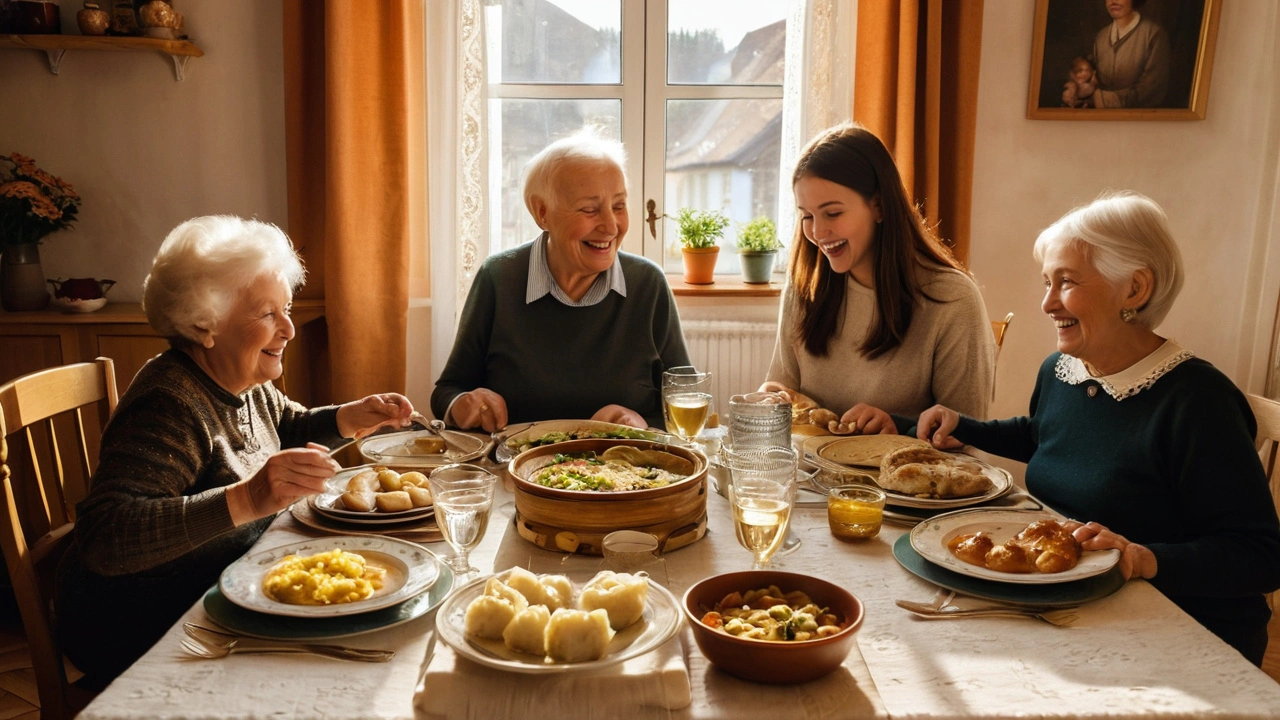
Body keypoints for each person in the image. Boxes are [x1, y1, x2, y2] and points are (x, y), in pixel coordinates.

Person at [917, 191, 1280, 665]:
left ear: (1134, 290)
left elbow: (1260, 554)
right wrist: (959, 426)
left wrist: (1142, 557)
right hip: (1070, 601)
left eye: (1065, 282)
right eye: (1046, 282)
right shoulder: (1064, 371)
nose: (1047, 303)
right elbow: (1043, 437)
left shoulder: (1198, 401)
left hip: (1178, 631)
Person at [54, 216, 416, 686]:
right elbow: (106, 537)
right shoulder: (168, 403)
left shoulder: (240, 379)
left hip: (217, 590)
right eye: (268, 314)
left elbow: (287, 427)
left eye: (286, 309)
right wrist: (247, 499)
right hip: (143, 621)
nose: (289, 328)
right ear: (206, 324)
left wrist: (349, 417)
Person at [430, 129, 690, 431]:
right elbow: (448, 390)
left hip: (624, 471)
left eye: (619, 206)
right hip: (513, 472)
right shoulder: (498, 278)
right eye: (590, 209)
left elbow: (687, 398)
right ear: (542, 212)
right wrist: (464, 403)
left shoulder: (648, 284)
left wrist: (640, 422)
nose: (610, 225)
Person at [762, 123, 996, 435]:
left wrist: (897, 429)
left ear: (879, 205)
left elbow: (967, 438)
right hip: (809, 479)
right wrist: (771, 397)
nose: (817, 233)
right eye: (806, 216)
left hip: (901, 482)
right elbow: (784, 388)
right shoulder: (805, 283)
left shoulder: (952, 300)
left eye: (832, 214)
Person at [1079, 0, 1170, 108]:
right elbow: (1094, 81)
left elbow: (1152, 90)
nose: (1113, 1)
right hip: (1103, 121)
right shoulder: (1101, 37)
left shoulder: (1153, 34)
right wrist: (1077, 89)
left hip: (1141, 120)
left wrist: (1102, 98)